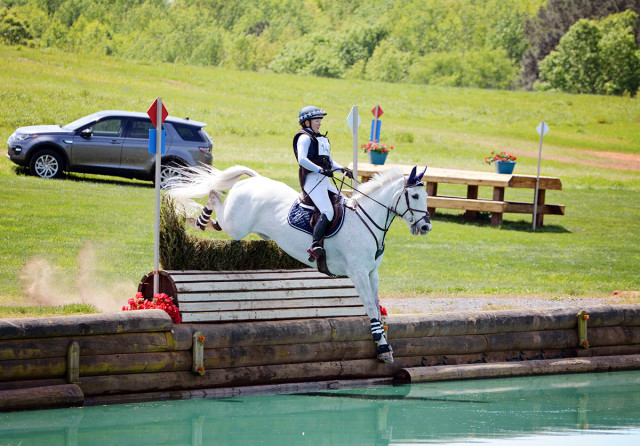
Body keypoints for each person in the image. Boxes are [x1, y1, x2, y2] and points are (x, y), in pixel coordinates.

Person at [293, 106, 353, 262]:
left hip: (323, 180)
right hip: (312, 180)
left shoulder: (320, 138)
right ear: (307, 122)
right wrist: (320, 170)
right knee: (328, 211)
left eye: (320, 121)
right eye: (317, 121)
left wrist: (342, 169)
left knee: (345, 203)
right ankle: (315, 245)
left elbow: (330, 162)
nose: (319, 124)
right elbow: (302, 160)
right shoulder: (304, 138)